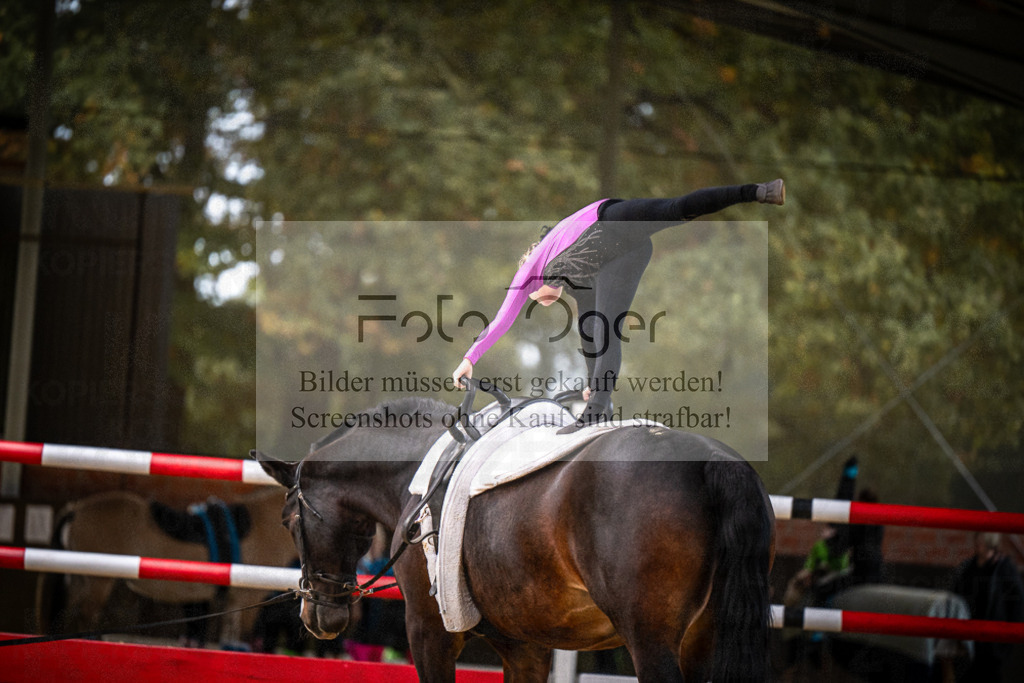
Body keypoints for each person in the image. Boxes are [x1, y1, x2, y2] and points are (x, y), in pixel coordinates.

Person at [451, 180, 785, 429]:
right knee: (602, 326)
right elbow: (587, 333)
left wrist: (469, 359)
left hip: (611, 220)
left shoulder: (530, 271)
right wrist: (593, 380)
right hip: (628, 252)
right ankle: (600, 404)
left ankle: (757, 191)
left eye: (541, 300)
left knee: (676, 209)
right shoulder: (574, 278)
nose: (549, 301)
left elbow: (501, 321)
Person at [950, 532, 1024, 682]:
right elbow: (956, 591)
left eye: (982, 542)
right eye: (977, 541)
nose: (978, 545)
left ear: (991, 544)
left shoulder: (1004, 568)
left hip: (993, 636)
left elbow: (1017, 603)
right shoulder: (969, 565)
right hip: (970, 633)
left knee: (990, 676)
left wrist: (1008, 636)